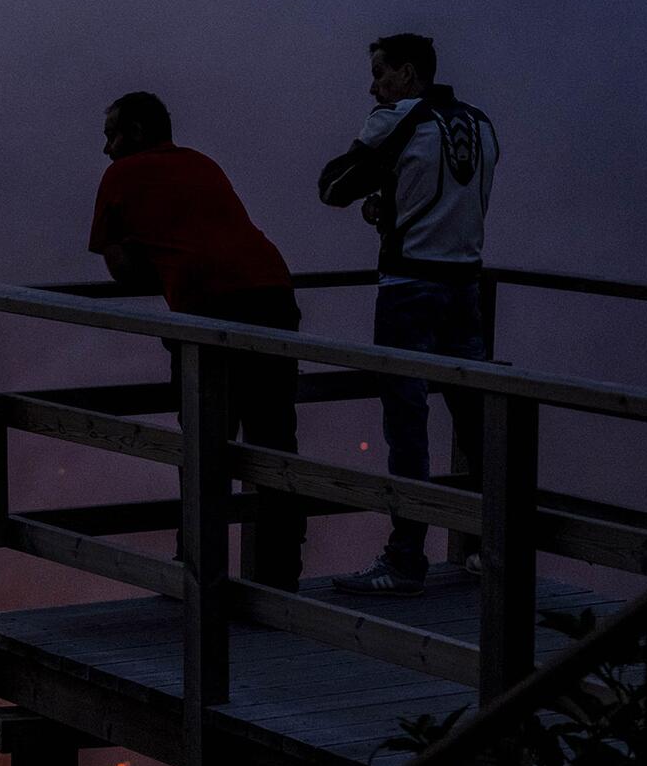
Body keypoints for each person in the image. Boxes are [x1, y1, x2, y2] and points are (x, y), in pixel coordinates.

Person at [88, 91, 305, 590]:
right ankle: (280, 580)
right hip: (273, 295)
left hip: (210, 310)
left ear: (137, 133)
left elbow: (120, 269)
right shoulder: (202, 163)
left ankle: (200, 575)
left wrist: (149, 255)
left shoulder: (121, 175)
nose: (106, 149)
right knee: (274, 444)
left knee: (205, 446)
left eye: (111, 134)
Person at [318, 34, 499, 596]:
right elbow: (449, 198)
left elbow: (333, 187)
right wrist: (394, 201)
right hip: (465, 288)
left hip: (409, 288)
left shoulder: (395, 118)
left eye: (380, 72)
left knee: (407, 425)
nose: (373, 85)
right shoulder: (481, 123)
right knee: (476, 420)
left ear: (409, 74)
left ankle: (405, 561)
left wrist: (377, 193)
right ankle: (494, 549)